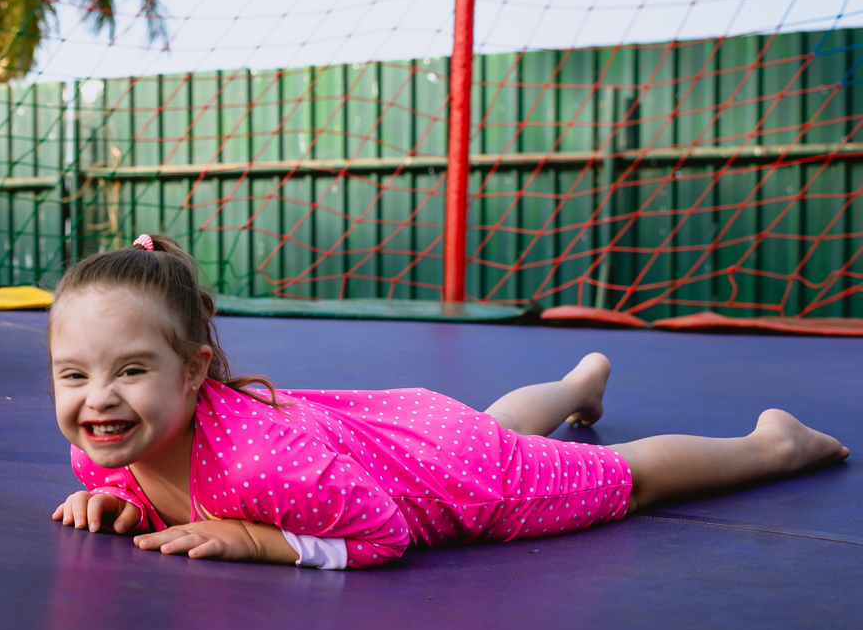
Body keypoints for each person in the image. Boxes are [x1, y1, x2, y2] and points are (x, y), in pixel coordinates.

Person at [49, 233, 849, 569]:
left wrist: (263, 543)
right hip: (413, 433)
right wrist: (114, 501)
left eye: (129, 371)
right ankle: (578, 383)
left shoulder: (260, 461)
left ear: (193, 372)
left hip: (458, 482)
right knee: (495, 426)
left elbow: (386, 532)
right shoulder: (102, 442)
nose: (98, 401)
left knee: (621, 478)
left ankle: (773, 442)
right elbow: (125, 472)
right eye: (74, 376)